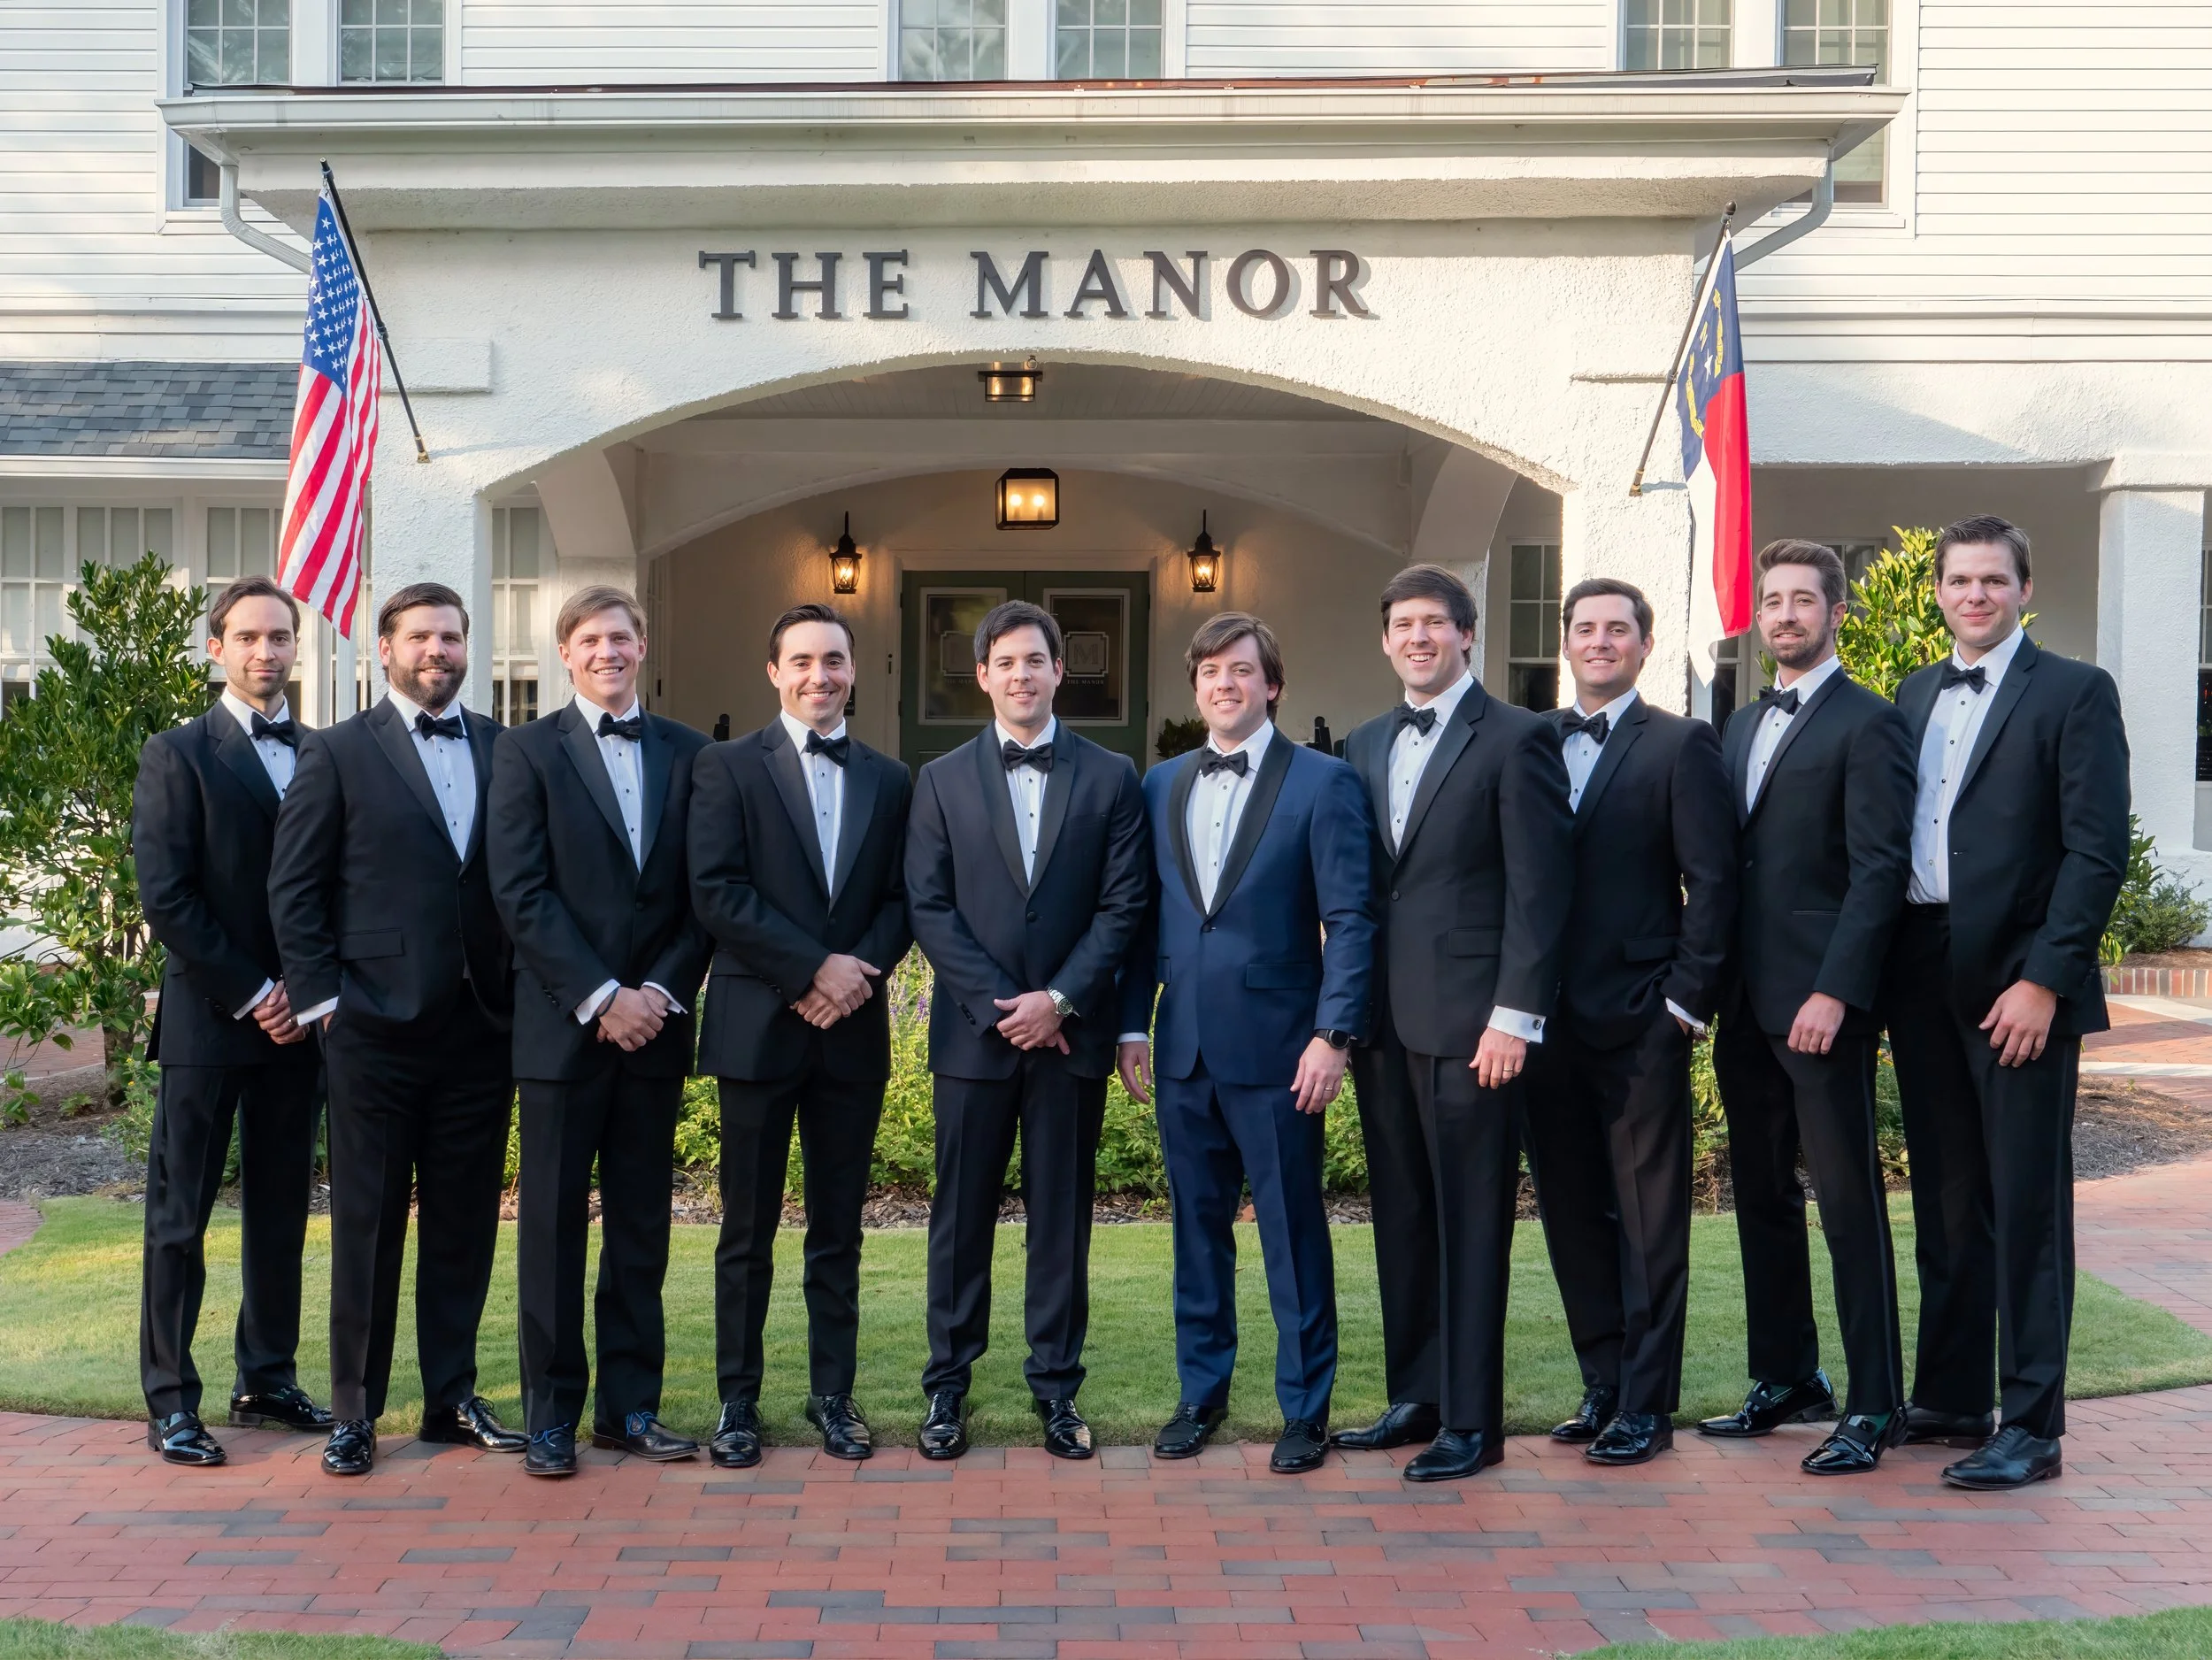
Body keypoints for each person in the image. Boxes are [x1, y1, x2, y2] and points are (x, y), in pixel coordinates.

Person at [1885, 515, 2129, 1490]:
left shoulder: (2074, 691)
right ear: (1936, 592)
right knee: (1946, 1198)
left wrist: (2043, 980)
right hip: (1921, 969)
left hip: (2018, 980)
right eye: (1958, 580)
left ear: (2026, 589)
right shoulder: (1910, 694)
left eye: (1993, 579)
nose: (1974, 594)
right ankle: (1948, 1396)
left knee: (2025, 1204)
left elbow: (2095, 850)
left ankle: (2031, 1420)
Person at [269, 581, 523, 1478]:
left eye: (452, 638)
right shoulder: (337, 752)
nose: (438, 652)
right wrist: (321, 1002)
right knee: (368, 1226)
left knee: (463, 1223)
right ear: (385, 648)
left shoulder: (503, 746)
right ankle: (354, 1412)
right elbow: (294, 888)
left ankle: (451, 1396)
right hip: (370, 1026)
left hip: (482, 1025)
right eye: (421, 637)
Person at [1115, 614, 1375, 1474]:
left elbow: (1350, 918)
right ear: (1195, 689)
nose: (1223, 684)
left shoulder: (1323, 783)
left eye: (1240, 671)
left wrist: (1332, 1036)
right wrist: (1129, 1023)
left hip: (1281, 1053)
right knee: (1196, 1234)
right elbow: (1141, 919)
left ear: (1272, 684)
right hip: (1183, 1046)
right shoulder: (1158, 786)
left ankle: (1306, 1409)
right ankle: (1201, 1395)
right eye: (1209, 673)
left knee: (1293, 1234)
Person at [1334, 565, 1572, 1482]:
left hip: (1477, 1025)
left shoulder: (1517, 738)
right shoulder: (1360, 742)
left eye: (1435, 622)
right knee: (1401, 1211)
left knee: (1473, 1219)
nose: (1419, 637)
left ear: (1467, 635)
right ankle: (1417, 1394)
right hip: (1384, 1028)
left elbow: (1539, 893)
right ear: (1385, 639)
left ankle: (1472, 1420)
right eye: (1402, 623)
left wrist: (1515, 1016)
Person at [904, 599, 1148, 1461]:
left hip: (1069, 1040)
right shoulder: (937, 779)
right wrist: (1001, 1007)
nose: (1021, 674)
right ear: (982, 675)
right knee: (958, 1222)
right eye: (1005, 661)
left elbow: (1125, 903)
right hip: (975, 1041)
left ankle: (1056, 1391)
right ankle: (946, 1392)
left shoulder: (1113, 775)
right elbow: (928, 905)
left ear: (1057, 671)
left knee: (1061, 1222)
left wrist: (1062, 1000)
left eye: (1035, 660)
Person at [1701, 539, 1916, 1476]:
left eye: (1802, 600)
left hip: (1820, 1000)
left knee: (1846, 1203)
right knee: (1759, 1193)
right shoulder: (1741, 726)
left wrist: (1835, 989)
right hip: (1743, 1003)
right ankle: (1787, 1375)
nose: (1784, 614)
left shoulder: (1868, 723)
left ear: (1834, 613)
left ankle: (1874, 1403)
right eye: (1772, 600)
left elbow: (1878, 869)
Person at [487, 585, 711, 1479]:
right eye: (590, 639)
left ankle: (629, 1408)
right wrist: (599, 994)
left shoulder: (694, 755)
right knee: (548, 1228)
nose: (608, 651)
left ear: (643, 645)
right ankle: (550, 1415)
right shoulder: (525, 752)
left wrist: (654, 989)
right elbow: (520, 891)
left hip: (653, 1028)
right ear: (565, 652)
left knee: (640, 1226)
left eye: (621, 636)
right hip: (561, 1031)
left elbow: (705, 892)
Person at [689, 603, 913, 1469]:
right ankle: (737, 1404)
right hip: (758, 1026)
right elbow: (717, 890)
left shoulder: (891, 779)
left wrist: (854, 972)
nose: (819, 674)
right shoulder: (726, 768)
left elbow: (904, 897)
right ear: (773, 672)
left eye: (834, 659)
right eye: (803, 660)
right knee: (744, 1229)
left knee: (837, 1229)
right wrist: (810, 969)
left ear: (853, 670)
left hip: (850, 1032)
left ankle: (833, 1394)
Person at [1521, 578, 1736, 1468]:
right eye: (1584, 628)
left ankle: (1647, 1404)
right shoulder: (1528, 742)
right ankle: (1602, 1381)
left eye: (1618, 629)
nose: (1600, 641)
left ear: (1644, 646)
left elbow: (1714, 882)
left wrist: (1682, 1004)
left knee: (1649, 1220)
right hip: (1540, 1022)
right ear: (1564, 643)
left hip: (1641, 1018)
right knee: (1570, 1211)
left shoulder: (1681, 745)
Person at [132, 575, 331, 1466]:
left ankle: (267, 1375)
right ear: (217, 649)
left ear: (297, 647)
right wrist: (257, 991)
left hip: (303, 1027)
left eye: (280, 637)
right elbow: (168, 898)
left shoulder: (327, 753)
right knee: (182, 1217)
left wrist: (308, 991)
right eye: (247, 637)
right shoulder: (178, 754)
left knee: (282, 1211)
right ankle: (171, 1399)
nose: (265, 651)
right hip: (213, 1023)